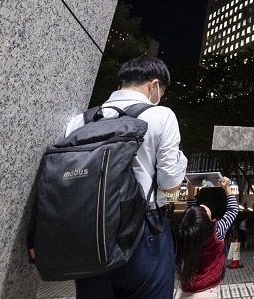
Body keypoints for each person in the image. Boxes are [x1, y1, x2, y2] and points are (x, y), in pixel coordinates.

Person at [65, 56, 187, 299]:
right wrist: (181, 160)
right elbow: (170, 183)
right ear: (154, 85)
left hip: (89, 236)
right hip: (143, 233)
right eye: (161, 90)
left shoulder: (81, 120)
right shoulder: (161, 115)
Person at [175, 177, 238, 299]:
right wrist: (227, 188)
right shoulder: (217, 231)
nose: (202, 206)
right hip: (207, 291)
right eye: (202, 210)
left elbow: (190, 217)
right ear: (206, 221)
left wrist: (190, 192)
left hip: (187, 288)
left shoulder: (187, 234)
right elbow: (233, 210)